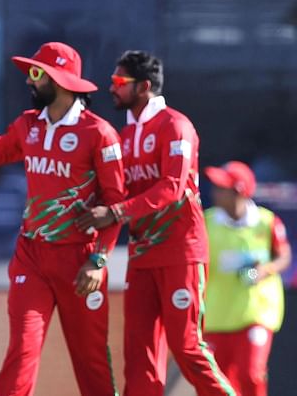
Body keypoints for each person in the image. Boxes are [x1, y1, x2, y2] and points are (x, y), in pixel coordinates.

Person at [0, 42, 125, 396]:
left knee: (91, 362)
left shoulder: (98, 134)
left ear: (61, 80)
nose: (29, 81)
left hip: (80, 262)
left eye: (37, 74)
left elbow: (116, 205)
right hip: (33, 256)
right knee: (22, 351)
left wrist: (98, 260)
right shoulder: (28, 125)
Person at [76, 50, 236, 395]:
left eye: (120, 82)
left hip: (181, 252)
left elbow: (172, 189)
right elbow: (117, 191)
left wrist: (116, 213)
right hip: (143, 255)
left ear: (144, 86)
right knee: (139, 354)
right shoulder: (126, 133)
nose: (111, 88)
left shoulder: (175, 126)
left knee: (187, 347)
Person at [203, 161, 291, 396]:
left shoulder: (266, 221)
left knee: (251, 374)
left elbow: (284, 255)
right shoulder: (206, 222)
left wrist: (265, 269)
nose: (215, 193)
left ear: (239, 191)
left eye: (222, 187)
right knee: (218, 384)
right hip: (217, 316)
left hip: (256, 313)